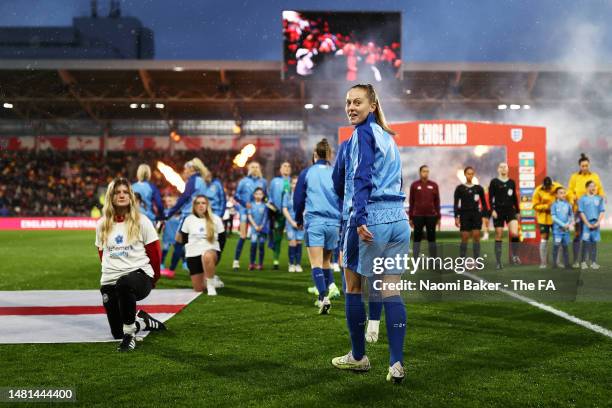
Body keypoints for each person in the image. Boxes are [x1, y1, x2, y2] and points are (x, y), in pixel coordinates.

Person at [331, 84, 410, 383]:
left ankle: (358, 357)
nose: (351, 107)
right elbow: (398, 179)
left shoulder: (360, 134)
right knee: (390, 290)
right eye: (348, 102)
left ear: (372, 105)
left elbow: (357, 177)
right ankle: (396, 363)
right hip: (398, 221)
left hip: (369, 220)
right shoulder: (389, 138)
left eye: (357, 102)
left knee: (352, 287)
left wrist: (359, 214)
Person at [95, 177, 166, 352]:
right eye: (117, 192)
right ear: (110, 197)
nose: (122, 195)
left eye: (125, 192)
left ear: (131, 196)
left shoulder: (142, 221)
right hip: (111, 280)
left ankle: (130, 335)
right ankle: (142, 321)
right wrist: (110, 274)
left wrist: (154, 277)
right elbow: (101, 253)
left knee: (124, 284)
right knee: (116, 332)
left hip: (139, 275)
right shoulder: (102, 224)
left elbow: (155, 252)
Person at [294, 138, 341, 315]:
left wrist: (298, 218)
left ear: (315, 154)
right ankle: (326, 294)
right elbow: (342, 197)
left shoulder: (307, 172)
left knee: (315, 263)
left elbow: (298, 199)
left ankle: (323, 298)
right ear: (330, 155)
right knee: (326, 262)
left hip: (315, 221)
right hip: (334, 223)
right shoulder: (335, 173)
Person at [164, 158, 210, 276]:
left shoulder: (192, 180)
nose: (184, 171)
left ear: (191, 169)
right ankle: (201, 270)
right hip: (199, 216)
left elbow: (184, 197)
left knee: (179, 242)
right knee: (197, 243)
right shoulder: (202, 181)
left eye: (186, 169)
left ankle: (171, 270)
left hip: (188, 215)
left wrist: (171, 212)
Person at [177, 195, 225, 294]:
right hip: (193, 254)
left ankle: (211, 285)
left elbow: (222, 239)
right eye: (198, 203)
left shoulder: (216, 219)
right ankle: (212, 278)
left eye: (203, 203)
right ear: (194, 206)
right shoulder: (188, 219)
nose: (201, 205)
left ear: (207, 205)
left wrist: (216, 253)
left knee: (206, 255)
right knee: (199, 289)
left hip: (210, 253)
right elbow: (184, 239)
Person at [567, 153, 606, 268]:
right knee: (578, 235)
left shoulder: (595, 176)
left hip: (592, 211)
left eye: (586, 165)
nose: (584, 167)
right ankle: (576, 260)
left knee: (592, 236)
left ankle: (591, 261)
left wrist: (602, 197)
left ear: (589, 165)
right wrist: (572, 197)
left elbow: (600, 190)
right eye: (582, 166)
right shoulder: (574, 177)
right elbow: (569, 191)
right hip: (578, 211)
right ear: (579, 166)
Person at [233, 162, 267, 270]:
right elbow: (236, 195)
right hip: (244, 211)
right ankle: (236, 261)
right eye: (253, 167)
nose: (255, 168)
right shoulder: (243, 181)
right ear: (249, 168)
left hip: (258, 212)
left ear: (260, 168)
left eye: (257, 167)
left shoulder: (263, 182)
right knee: (243, 235)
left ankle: (255, 263)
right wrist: (244, 203)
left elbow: (266, 196)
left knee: (259, 238)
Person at [488, 162, 521, 269]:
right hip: (498, 211)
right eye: (501, 167)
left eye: (505, 167)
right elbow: (490, 198)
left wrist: (518, 211)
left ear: (507, 169)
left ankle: (515, 255)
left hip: (510, 210)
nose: (503, 169)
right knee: (499, 235)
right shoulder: (494, 182)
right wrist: (492, 210)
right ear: (498, 169)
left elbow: (515, 197)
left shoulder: (512, 182)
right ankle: (498, 262)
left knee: (515, 233)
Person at [453, 167, 488, 259]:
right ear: (465, 174)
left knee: (476, 237)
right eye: (468, 173)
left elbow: (484, 203)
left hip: (476, 214)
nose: (470, 175)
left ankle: (477, 260)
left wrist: (485, 215)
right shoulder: (459, 188)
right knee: (465, 237)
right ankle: (462, 260)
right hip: (464, 214)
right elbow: (456, 204)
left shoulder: (479, 188)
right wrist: (456, 217)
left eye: (472, 173)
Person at [408, 165, 440, 258]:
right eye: (423, 171)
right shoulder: (414, 185)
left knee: (432, 239)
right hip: (418, 216)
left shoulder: (434, 185)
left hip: (431, 216)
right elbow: (411, 202)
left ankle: (433, 259)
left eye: (427, 171)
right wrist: (410, 217)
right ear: (420, 172)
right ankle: (415, 259)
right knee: (417, 239)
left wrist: (438, 217)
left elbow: (437, 201)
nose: (425, 173)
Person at [532, 177, 563, 268]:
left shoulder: (558, 186)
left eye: (549, 187)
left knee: (558, 239)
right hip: (543, 218)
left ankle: (558, 262)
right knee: (544, 239)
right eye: (546, 187)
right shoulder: (537, 191)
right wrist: (547, 206)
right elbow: (535, 206)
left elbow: (565, 195)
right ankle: (543, 263)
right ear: (543, 185)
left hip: (556, 218)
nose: (548, 189)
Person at [268, 162, 292, 270]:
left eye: (288, 166)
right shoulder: (275, 181)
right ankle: (276, 259)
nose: (286, 168)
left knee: (294, 238)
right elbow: (270, 198)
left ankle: (293, 261)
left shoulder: (293, 181)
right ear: (280, 169)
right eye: (284, 166)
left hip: (292, 215)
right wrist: (273, 210)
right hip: (279, 214)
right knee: (277, 238)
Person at [201, 165, 227, 263]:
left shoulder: (217, 184)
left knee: (221, 237)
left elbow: (223, 199)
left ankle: (216, 256)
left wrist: (220, 214)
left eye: (208, 172)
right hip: (203, 215)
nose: (207, 174)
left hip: (216, 214)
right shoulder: (201, 184)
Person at [577, 180, 605, 269]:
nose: (593, 188)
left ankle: (593, 262)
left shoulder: (599, 199)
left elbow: (602, 211)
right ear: (587, 187)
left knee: (594, 244)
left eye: (594, 186)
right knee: (585, 243)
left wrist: (597, 222)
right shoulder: (582, 199)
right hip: (586, 225)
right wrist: (587, 224)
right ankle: (583, 262)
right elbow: (581, 212)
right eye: (591, 186)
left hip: (596, 224)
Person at [282, 176, 304, 273]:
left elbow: (306, 209)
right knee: (292, 242)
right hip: (290, 223)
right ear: (290, 184)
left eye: (297, 183)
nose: (295, 185)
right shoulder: (286, 195)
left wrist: (300, 221)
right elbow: (284, 209)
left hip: (300, 222)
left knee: (299, 242)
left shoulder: (303, 195)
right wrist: (292, 222)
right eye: (293, 183)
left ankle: (298, 264)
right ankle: (291, 264)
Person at [551, 186, 573, 269]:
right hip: (557, 231)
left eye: (564, 193)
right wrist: (563, 225)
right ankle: (554, 264)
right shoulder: (554, 205)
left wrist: (567, 224)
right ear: (556, 195)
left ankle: (567, 264)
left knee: (565, 247)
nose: (563, 194)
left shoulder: (568, 205)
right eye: (561, 193)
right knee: (556, 246)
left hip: (566, 231)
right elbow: (554, 217)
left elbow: (571, 216)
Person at [248, 188, 269, 271]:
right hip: (254, 229)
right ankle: (252, 263)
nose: (258, 195)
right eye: (257, 193)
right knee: (253, 246)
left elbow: (265, 217)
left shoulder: (265, 206)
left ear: (263, 195)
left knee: (261, 246)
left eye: (260, 194)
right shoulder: (251, 205)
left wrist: (261, 226)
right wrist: (255, 226)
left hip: (262, 229)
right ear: (254, 195)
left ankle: (260, 264)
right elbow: (249, 216)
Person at [160, 195, 181, 278]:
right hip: (167, 236)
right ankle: (161, 264)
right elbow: (161, 221)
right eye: (167, 201)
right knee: (165, 251)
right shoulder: (165, 212)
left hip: (177, 237)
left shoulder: (181, 213)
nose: (169, 203)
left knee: (179, 252)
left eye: (171, 201)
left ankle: (184, 264)